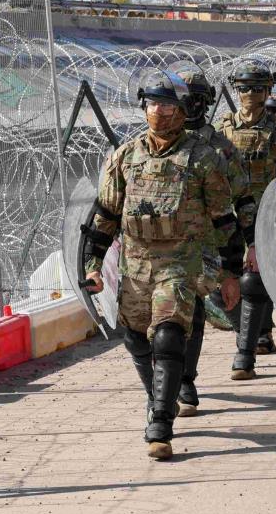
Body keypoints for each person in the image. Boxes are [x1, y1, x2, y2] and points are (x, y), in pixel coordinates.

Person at [82, 68, 248, 460]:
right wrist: (92, 265)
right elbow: (105, 215)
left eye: (169, 104)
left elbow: (225, 219)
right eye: (154, 103)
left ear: (183, 109)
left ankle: (160, 422)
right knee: (136, 338)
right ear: (143, 106)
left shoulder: (203, 158)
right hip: (136, 266)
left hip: (181, 262)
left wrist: (231, 272)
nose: (160, 112)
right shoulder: (125, 157)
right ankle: (161, 396)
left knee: (169, 334)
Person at [172, 62, 255, 417]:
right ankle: (164, 385)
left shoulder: (220, 148)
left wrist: (252, 242)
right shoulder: (154, 143)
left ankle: (185, 382)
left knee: (190, 314)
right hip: (159, 245)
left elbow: (243, 199)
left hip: (204, 244)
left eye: (193, 100)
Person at [215, 60, 276, 376]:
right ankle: (254, 331)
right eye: (243, 88)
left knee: (255, 280)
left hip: (267, 215)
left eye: (256, 88)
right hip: (227, 215)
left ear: (268, 90)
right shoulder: (223, 131)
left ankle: (247, 352)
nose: (249, 94)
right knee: (222, 279)